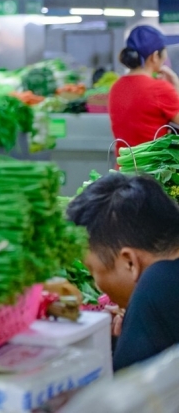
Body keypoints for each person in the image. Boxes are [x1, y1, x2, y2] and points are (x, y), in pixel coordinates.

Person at [66, 173, 179, 371]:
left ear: (129, 262)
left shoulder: (157, 282)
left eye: (92, 271)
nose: (98, 287)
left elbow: (126, 394)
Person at [109, 25, 179, 147]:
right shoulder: (159, 89)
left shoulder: (116, 87)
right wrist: (176, 85)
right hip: (154, 165)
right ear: (155, 56)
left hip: (124, 165)